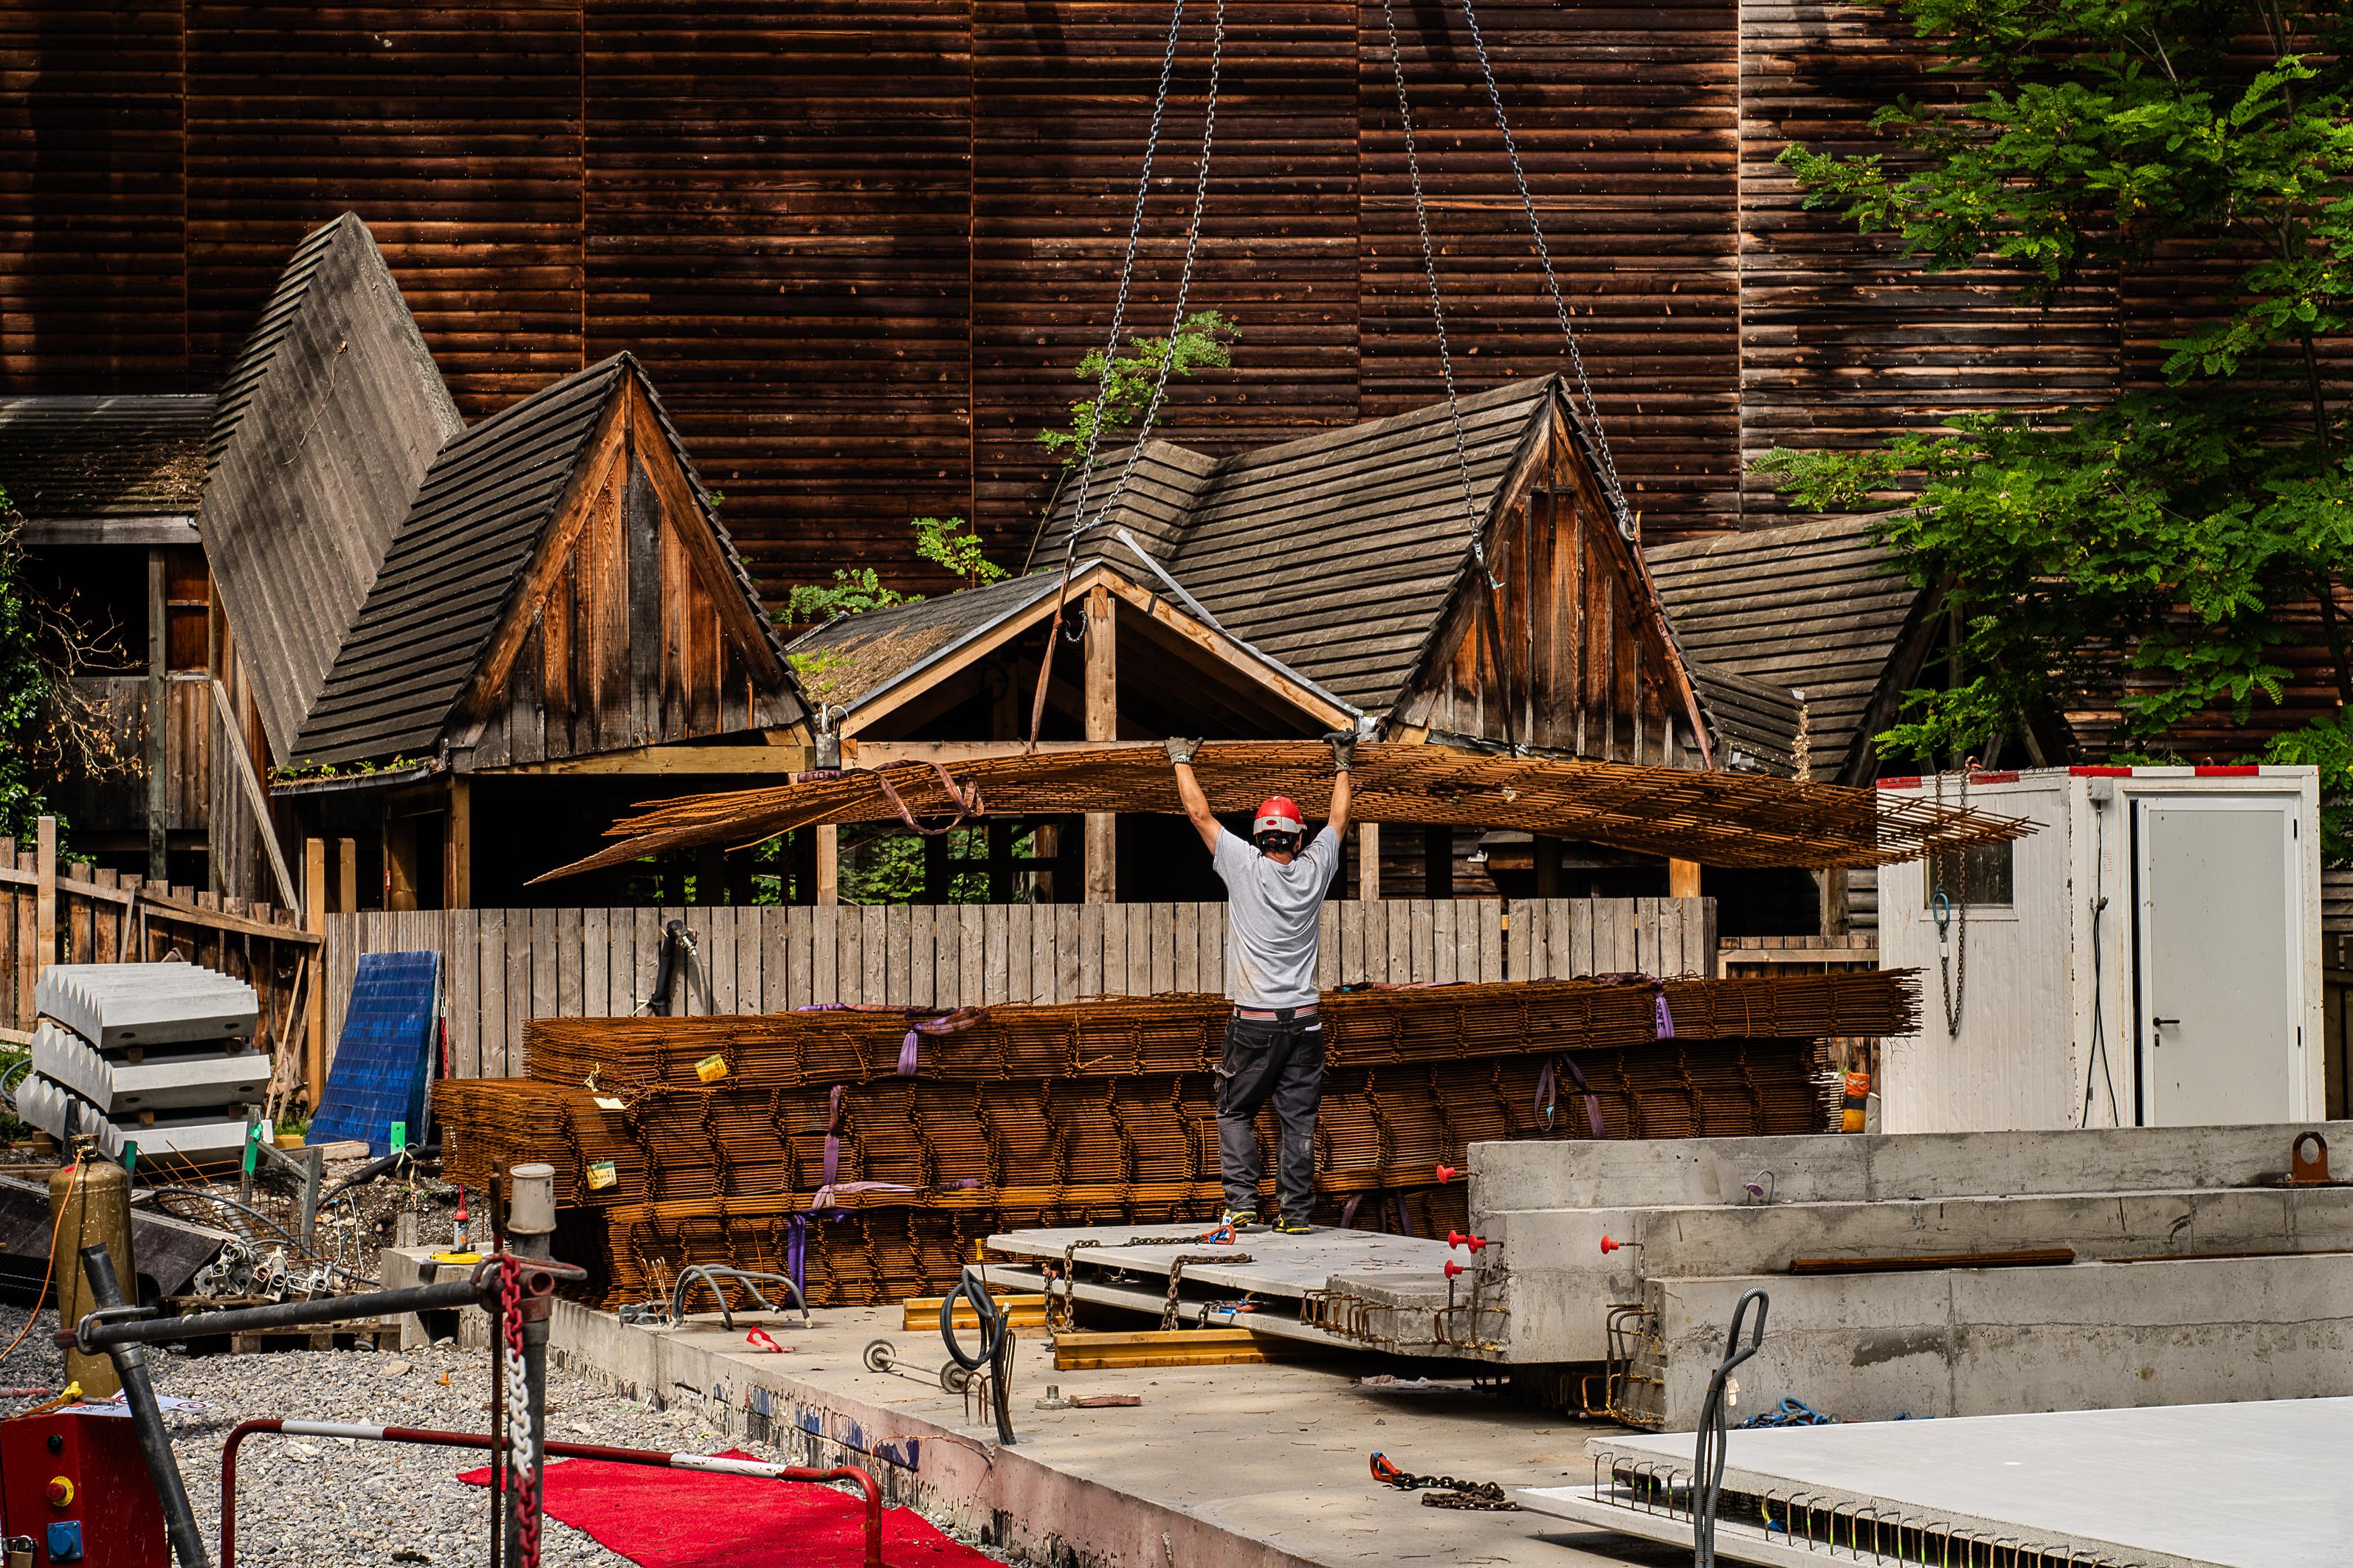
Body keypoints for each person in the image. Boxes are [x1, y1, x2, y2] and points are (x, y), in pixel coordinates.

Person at [1165, 732, 1355, 1235]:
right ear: (1298, 839)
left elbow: (1199, 815)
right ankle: (1295, 1216)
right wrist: (1343, 762)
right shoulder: (1315, 870)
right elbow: (1338, 820)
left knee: (1235, 1111)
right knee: (1298, 1121)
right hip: (1306, 1023)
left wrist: (1181, 758)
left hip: (1253, 1023)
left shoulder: (1242, 865)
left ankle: (1243, 1205)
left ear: (1258, 837)